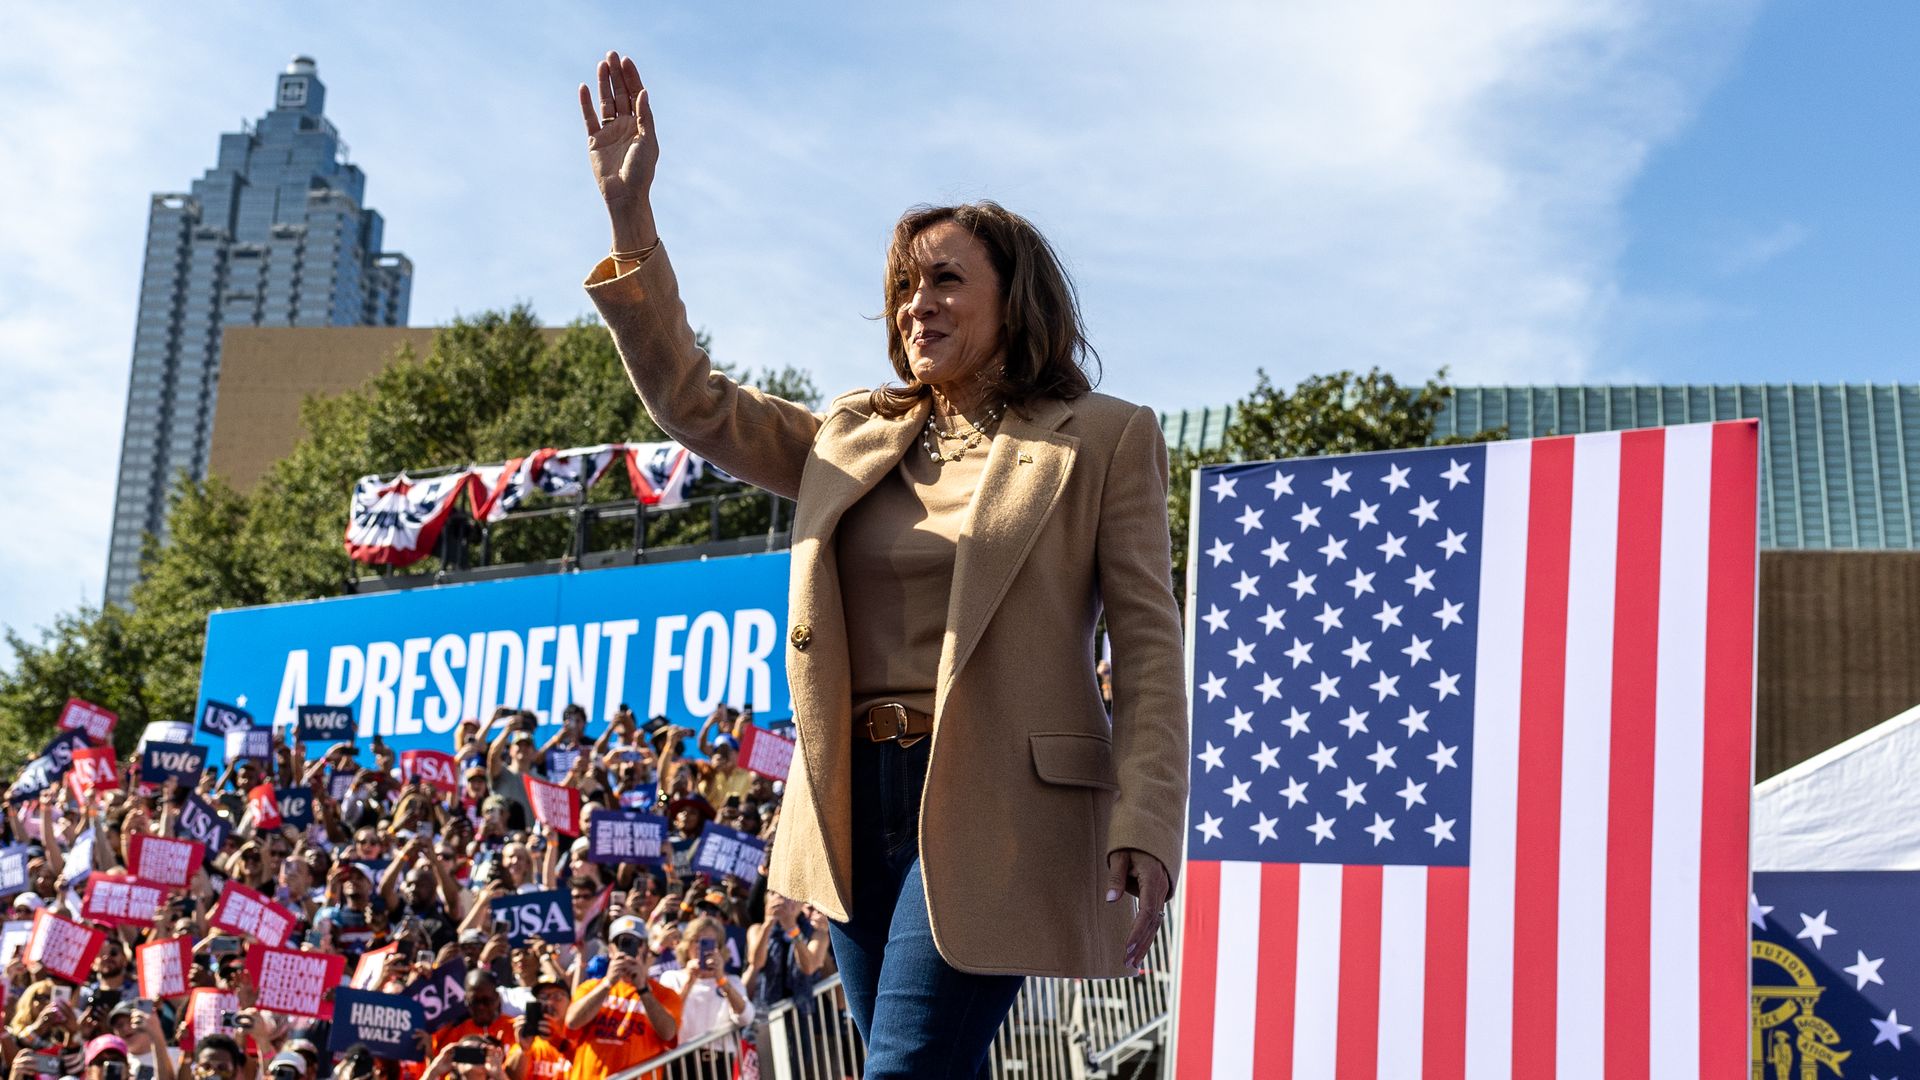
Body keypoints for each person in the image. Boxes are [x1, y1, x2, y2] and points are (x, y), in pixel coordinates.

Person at [577, 49, 1188, 1071]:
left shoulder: (1104, 437)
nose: (917, 305)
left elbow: (1150, 648)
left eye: (946, 279)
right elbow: (692, 399)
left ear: (1014, 297)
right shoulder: (850, 432)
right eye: (906, 286)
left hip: (1007, 808)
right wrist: (630, 217)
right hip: (851, 808)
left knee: (902, 1065)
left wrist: (1147, 822)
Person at [562, 916, 682, 1080]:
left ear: (644, 948)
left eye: (634, 943)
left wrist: (643, 989)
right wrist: (608, 983)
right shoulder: (590, 987)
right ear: (611, 949)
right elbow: (572, 1022)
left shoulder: (664, 994)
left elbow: (668, 1034)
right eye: (621, 943)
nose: (626, 950)